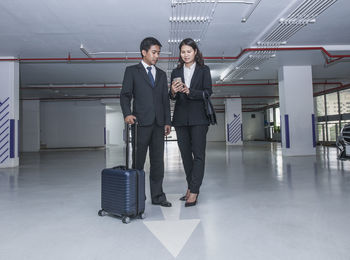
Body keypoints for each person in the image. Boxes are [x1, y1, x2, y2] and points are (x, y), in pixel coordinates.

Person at [120, 37, 172, 207]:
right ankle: (136, 197)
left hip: (158, 125)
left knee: (158, 162)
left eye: (158, 53)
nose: (157, 56)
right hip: (140, 124)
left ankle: (158, 197)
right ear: (144, 52)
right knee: (138, 162)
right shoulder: (132, 71)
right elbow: (125, 95)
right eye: (154, 52)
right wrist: (127, 114)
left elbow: (165, 100)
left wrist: (167, 122)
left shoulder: (162, 75)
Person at [170, 38, 212, 207]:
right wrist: (172, 91)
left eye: (189, 51)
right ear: (180, 54)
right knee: (186, 156)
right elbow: (171, 96)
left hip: (199, 118)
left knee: (198, 155)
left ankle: (194, 191)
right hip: (180, 118)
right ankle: (190, 187)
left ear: (195, 52)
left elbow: (208, 92)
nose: (186, 55)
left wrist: (190, 91)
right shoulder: (176, 71)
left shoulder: (204, 70)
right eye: (183, 52)